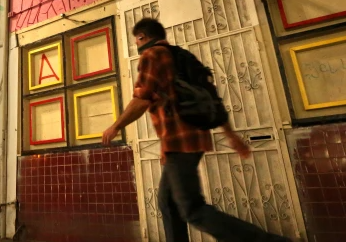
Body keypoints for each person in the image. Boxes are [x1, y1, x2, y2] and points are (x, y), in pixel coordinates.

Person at [102, 17, 290, 242]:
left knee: (192, 209)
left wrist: (115, 126)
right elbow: (211, 96)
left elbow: (142, 99)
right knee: (168, 202)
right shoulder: (182, 56)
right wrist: (230, 134)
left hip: (179, 141)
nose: (137, 45)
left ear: (142, 37)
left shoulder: (152, 56)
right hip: (194, 137)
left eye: (137, 40)